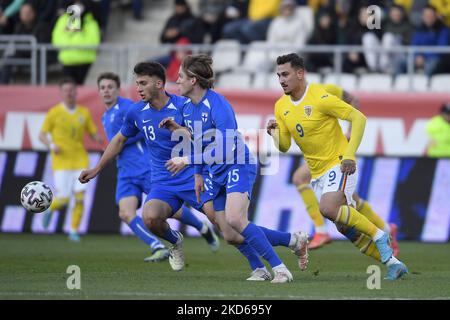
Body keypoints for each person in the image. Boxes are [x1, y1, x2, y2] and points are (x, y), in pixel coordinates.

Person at [82, 62, 306, 282]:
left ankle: (276, 256)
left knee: (231, 227)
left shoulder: (187, 104)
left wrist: (191, 164)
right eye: (137, 83)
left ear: (159, 84)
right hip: (167, 180)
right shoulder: (141, 111)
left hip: (207, 169)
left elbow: (215, 143)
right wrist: (97, 168)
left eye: (143, 83)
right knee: (151, 217)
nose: (138, 88)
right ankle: (175, 241)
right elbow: (123, 139)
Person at [160, 54, 309, 283]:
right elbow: (198, 141)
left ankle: (280, 269)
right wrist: (198, 173)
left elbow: (224, 148)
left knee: (236, 219)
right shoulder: (187, 110)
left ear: (193, 80)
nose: (176, 80)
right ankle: (283, 249)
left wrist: (187, 161)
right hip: (213, 172)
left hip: (237, 163)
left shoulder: (218, 105)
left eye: (180, 76)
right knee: (229, 233)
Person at [267, 53, 408, 280]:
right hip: (317, 173)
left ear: (300, 73)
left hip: (339, 163)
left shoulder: (321, 96)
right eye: (278, 75)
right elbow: (284, 146)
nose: (281, 80)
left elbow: (358, 117)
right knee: (345, 228)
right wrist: (274, 133)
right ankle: (393, 263)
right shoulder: (281, 106)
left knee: (328, 208)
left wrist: (350, 155)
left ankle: (381, 235)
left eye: (285, 74)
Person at [98, 71, 220, 261]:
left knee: (170, 209)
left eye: (110, 87)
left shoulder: (129, 108)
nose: (106, 91)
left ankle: (201, 226)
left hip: (145, 167)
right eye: (102, 88)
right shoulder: (106, 116)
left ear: (118, 90)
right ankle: (157, 245)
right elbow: (120, 138)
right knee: (126, 213)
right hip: (125, 171)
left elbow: (141, 132)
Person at [292, 83, 399, 256]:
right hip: (320, 158)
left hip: (338, 152)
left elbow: (353, 100)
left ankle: (321, 230)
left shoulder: (324, 89)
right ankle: (387, 228)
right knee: (353, 199)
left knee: (299, 178)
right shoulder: (293, 103)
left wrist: (349, 132)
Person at [39, 77, 103, 241]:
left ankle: (73, 230)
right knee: (64, 198)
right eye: (66, 90)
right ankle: (50, 209)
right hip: (61, 162)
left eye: (71, 90)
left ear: (76, 92)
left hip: (80, 160)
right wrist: (52, 145)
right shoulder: (54, 112)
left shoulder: (84, 112)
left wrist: (101, 140)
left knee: (80, 196)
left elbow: (93, 132)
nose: (69, 93)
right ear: (61, 93)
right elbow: (41, 135)